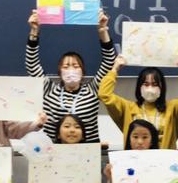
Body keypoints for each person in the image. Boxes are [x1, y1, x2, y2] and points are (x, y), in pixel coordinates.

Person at [26, 9, 116, 143]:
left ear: (83, 72)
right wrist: (34, 31)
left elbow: (109, 61)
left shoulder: (92, 90)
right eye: (66, 66)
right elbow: (32, 64)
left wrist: (102, 31)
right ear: (60, 72)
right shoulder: (49, 89)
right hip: (54, 151)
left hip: (88, 151)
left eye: (75, 66)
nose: (71, 70)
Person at [99, 54, 178, 150]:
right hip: (135, 158)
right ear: (139, 87)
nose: (150, 88)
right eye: (146, 84)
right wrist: (114, 69)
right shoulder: (127, 108)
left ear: (161, 87)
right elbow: (104, 94)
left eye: (154, 84)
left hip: (165, 159)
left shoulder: (172, 108)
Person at [93, 119, 160, 183]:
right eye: (135, 137)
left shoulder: (160, 162)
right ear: (129, 140)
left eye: (145, 137)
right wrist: (111, 177)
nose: (140, 142)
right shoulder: (119, 162)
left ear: (152, 141)